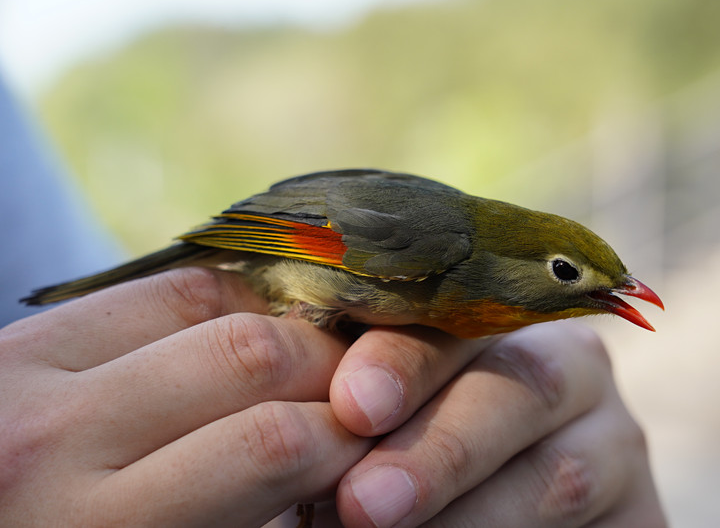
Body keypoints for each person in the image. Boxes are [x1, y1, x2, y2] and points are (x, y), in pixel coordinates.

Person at [0, 73, 666, 527]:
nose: (593, 291)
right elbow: (301, 228)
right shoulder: (437, 242)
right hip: (281, 248)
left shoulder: (476, 292)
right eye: (564, 271)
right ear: (512, 260)